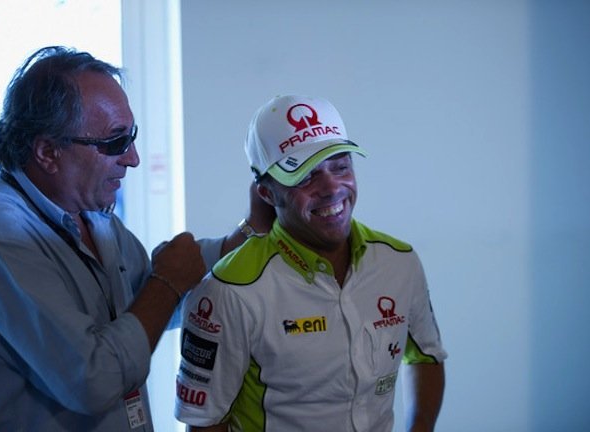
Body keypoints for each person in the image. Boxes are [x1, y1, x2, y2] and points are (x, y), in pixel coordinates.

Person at [0, 46, 272, 431]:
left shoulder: (91, 215)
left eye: (131, 136)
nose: (132, 158)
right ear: (48, 152)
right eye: (115, 142)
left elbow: (148, 300)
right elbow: (92, 380)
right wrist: (166, 282)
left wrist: (249, 232)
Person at [175, 95, 447, 432]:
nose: (332, 187)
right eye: (306, 176)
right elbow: (205, 423)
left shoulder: (399, 262)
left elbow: (426, 356)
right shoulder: (228, 290)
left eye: (340, 166)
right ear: (267, 193)